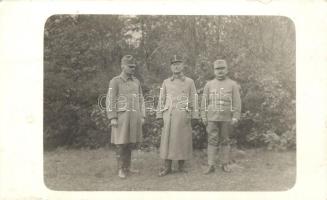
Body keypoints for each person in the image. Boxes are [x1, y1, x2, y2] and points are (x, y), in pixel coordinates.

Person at [156, 54, 199, 177]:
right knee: (167, 141)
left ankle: (181, 166)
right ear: (170, 67)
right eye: (173, 64)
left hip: (183, 115)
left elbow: (194, 99)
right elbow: (161, 99)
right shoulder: (166, 82)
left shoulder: (189, 82)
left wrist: (195, 115)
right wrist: (159, 115)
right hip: (168, 115)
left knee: (182, 140)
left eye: (178, 64)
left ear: (183, 65)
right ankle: (167, 167)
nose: (176, 66)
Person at [106, 55, 145, 179]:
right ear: (122, 66)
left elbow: (141, 99)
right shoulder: (115, 81)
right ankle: (120, 169)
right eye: (130, 66)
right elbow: (110, 100)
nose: (133, 68)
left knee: (129, 143)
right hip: (121, 117)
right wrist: (112, 117)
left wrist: (142, 115)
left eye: (134, 66)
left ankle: (128, 167)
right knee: (120, 143)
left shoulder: (136, 81)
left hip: (134, 117)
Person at [201, 59, 241, 174]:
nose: (220, 71)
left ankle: (225, 164)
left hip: (226, 117)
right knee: (212, 140)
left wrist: (235, 116)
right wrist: (204, 116)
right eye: (217, 69)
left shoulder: (232, 84)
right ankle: (211, 165)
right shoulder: (209, 84)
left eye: (222, 68)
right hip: (212, 117)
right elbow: (204, 102)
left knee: (225, 141)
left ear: (227, 70)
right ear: (214, 71)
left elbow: (237, 102)